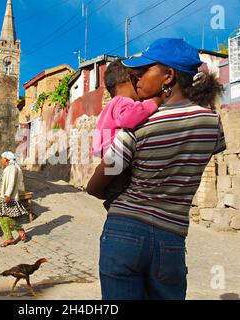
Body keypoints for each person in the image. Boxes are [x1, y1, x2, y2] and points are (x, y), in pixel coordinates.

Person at [87, 38, 226, 300]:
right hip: (171, 240)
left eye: (144, 70)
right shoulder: (212, 122)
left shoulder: (139, 123)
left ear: (168, 75)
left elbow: (96, 186)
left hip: (125, 234)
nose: (137, 78)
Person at [92, 58, 160, 210]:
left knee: (117, 190)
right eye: (139, 81)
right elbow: (128, 119)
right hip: (119, 159)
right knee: (121, 190)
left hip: (112, 159)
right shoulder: (124, 101)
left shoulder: (113, 103)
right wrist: (153, 102)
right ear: (132, 80)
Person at [0, 151, 28, 248]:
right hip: (2, 196)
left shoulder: (12, 168)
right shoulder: (7, 168)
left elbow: (11, 183)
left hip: (8, 196)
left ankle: (16, 233)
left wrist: (7, 195)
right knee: (0, 217)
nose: (1, 160)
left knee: (5, 217)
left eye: (2, 158)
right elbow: (1, 185)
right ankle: (12, 236)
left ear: (7, 159)